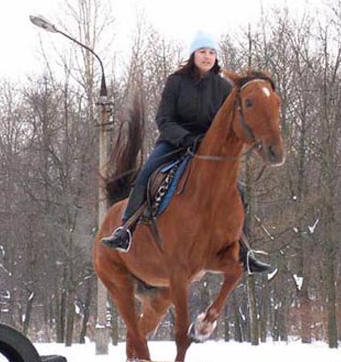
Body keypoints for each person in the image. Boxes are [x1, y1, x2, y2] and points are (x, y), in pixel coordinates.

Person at [101, 31, 273, 274]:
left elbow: (228, 123)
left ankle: (244, 251)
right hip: (173, 144)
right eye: (203, 51)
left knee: (240, 190)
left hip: (208, 151)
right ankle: (125, 230)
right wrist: (186, 138)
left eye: (211, 52)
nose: (207, 56)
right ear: (193, 55)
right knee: (147, 174)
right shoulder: (176, 82)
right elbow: (164, 119)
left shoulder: (224, 88)